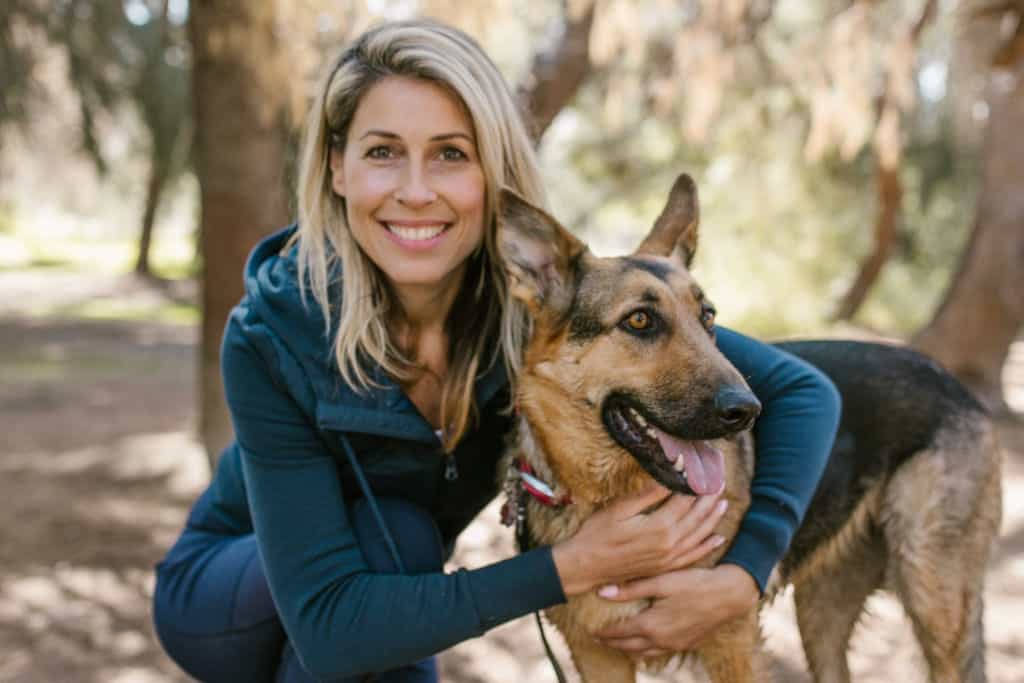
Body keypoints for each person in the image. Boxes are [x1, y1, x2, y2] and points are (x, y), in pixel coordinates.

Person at [152, 19, 841, 683]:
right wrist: (571, 566)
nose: (415, 191)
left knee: (400, 546)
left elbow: (804, 392)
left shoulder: (545, 306)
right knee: (395, 536)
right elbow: (329, 627)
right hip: (230, 601)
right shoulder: (276, 331)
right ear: (337, 169)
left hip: (389, 592)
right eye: (383, 151)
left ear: (491, 171)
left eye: (451, 153)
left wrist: (741, 573)